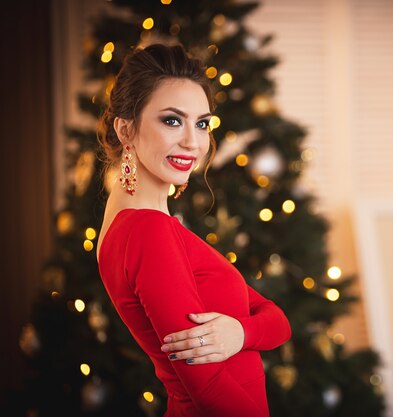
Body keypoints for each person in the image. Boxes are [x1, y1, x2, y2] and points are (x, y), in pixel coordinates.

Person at [95, 43, 292, 417]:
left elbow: (278, 321)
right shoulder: (146, 230)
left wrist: (241, 334)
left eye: (202, 123)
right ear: (125, 128)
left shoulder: (144, 223)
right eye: (172, 120)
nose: (193, 141)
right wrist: (248, 332)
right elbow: (209, 389)